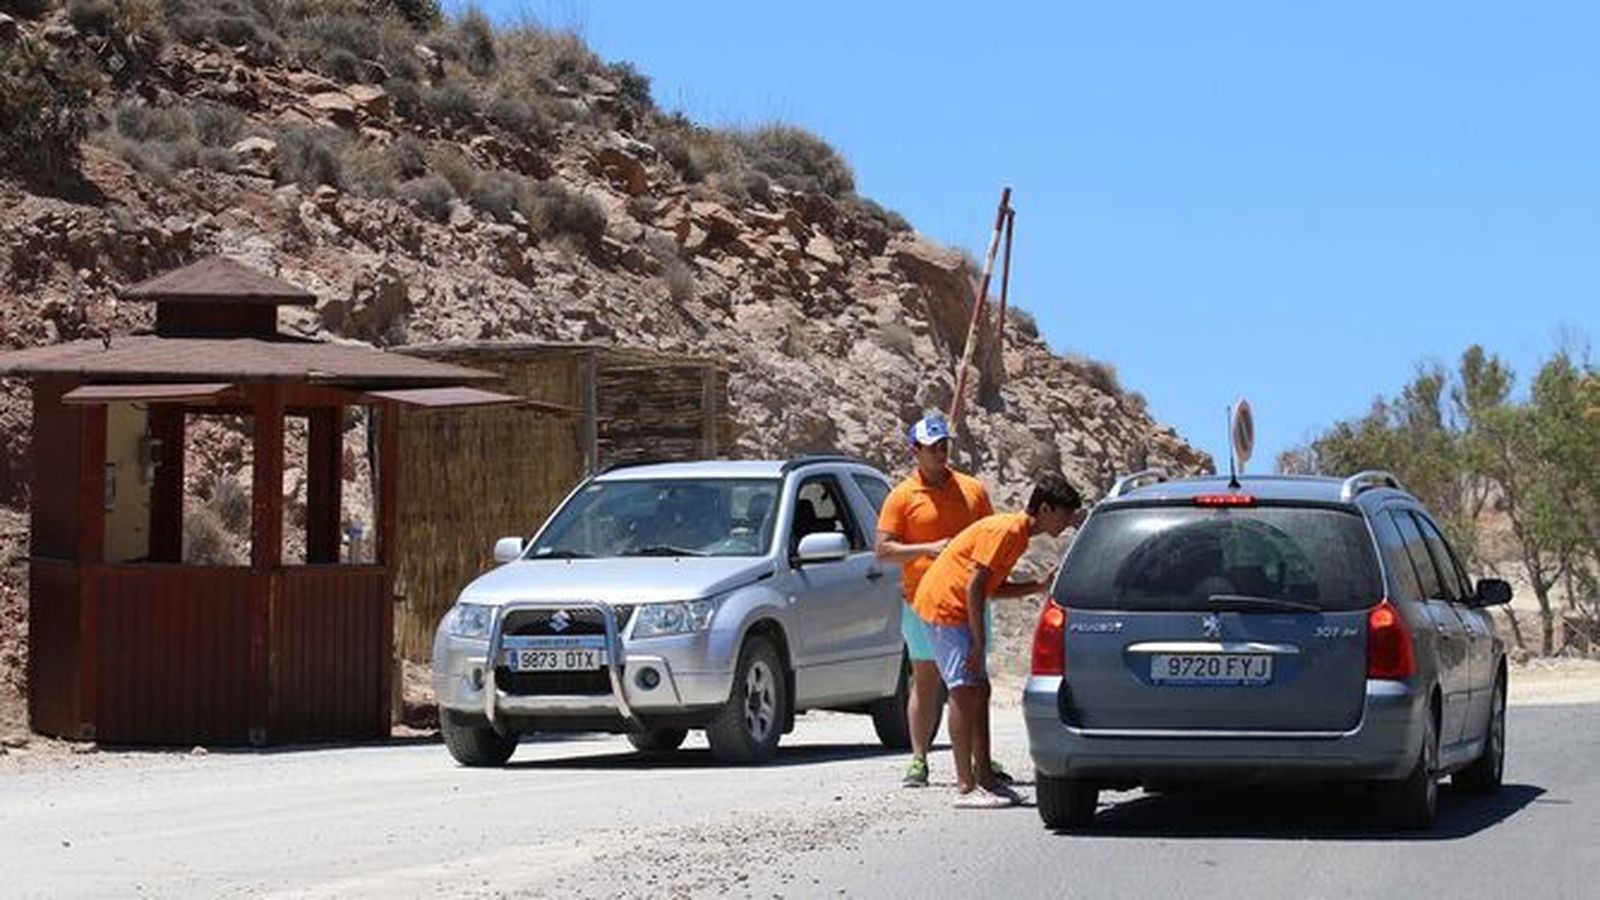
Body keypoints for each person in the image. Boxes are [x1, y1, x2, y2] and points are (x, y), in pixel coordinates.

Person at [913, 472, 1085, 808]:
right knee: (963, 691)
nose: (1066, 522)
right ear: (1046, 509)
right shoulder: (1006, 530)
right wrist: (978, 644)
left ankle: (985, 777)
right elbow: (975, 586)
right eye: (1064, 513)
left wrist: (1035, 586)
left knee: (981, 689)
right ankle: (965, 786)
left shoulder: (1018, 535)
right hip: (944, 608)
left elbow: (991, 587)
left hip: (957, 610)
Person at [875, 413, 995, 788]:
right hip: (922, 603)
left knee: (975, 679)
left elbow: (989, 537)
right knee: (925, 679)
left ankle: (982, 758)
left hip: (967, 601)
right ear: (916, 451)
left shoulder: (972, 490)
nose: (941, 453)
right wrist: (929, 548)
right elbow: (883, 550)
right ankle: (919, 758)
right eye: (933, 448)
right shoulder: (902, 497)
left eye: (944, 446)